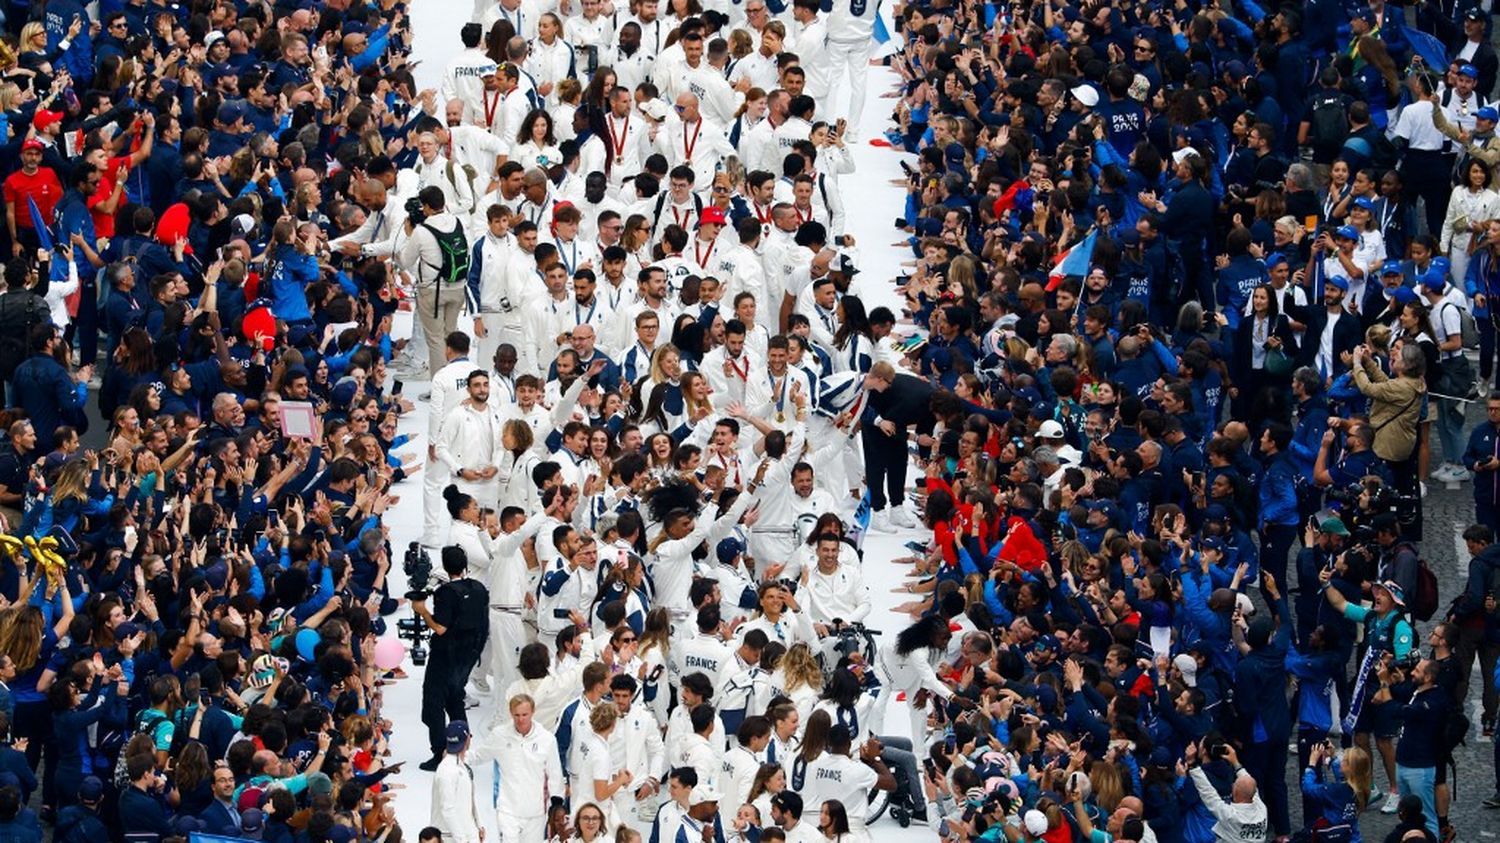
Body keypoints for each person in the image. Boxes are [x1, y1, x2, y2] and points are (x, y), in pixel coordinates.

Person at [412, 547, 492, 771]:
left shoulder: (446, 593)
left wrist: (422, 611)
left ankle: (440, 752)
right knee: (455, 698)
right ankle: (462, 745)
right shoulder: (479, 589)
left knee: (434, 703)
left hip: (445, 655)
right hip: (469, 655)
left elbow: (440, 628)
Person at [430, 721, 482, 843]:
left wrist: (479, 825)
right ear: (468, 738)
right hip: (450, 836)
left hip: (466, 833)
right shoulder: (447, 770)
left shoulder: (461, 765)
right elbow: (447, 809)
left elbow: (470, 799)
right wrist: (462, 839)